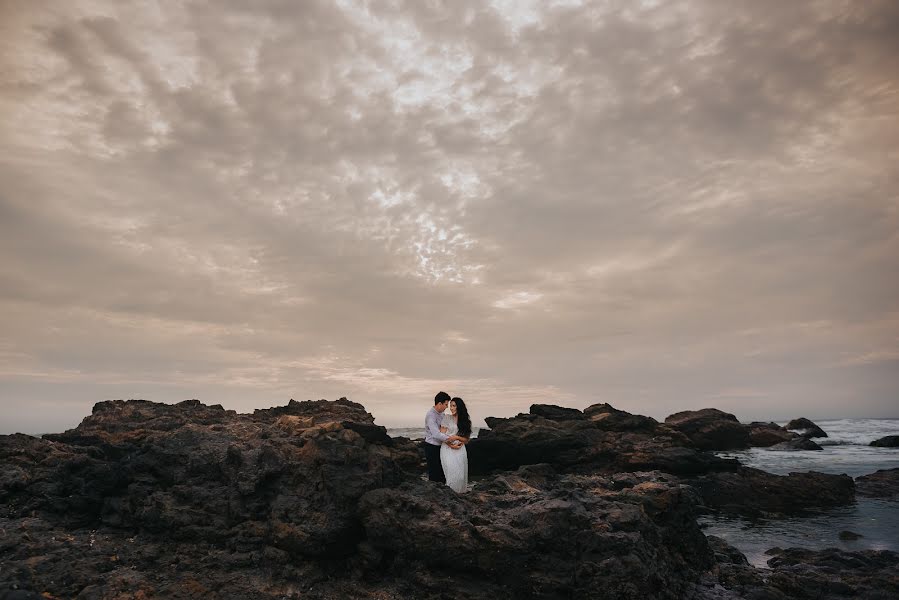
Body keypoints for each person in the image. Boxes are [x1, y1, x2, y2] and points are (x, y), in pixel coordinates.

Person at [439, 397, 471, 493]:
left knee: (461, 476)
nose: (451, 408)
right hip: (447, 449)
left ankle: (460, 496)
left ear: (459, 407)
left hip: (460, 450)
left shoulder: (465, 421)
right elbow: (441, 435)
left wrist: (456, 438)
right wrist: (451, 445)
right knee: (452, 474)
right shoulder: (447, 418)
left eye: (453, 406)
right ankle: (451, 496)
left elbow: (466, 439)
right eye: (450, 406)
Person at [424, 391, 451, 482]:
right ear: (440, 403)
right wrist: (451, 440)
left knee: (442, 473)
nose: (447, 407)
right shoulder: (431, 415)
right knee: (434, 475)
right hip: (432, 448)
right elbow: (436, 434)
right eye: (446, 404)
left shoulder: (442, 414)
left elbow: (445, 429)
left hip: (441, 447)